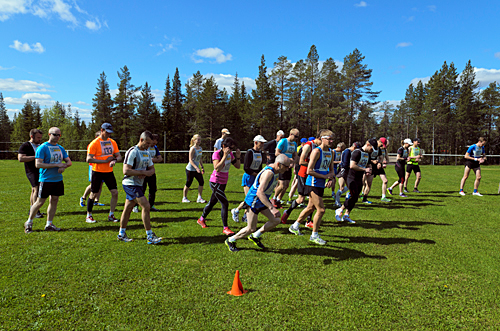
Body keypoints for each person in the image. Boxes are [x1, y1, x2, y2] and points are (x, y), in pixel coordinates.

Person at [225, 154, 291, 252]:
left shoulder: (275, 170)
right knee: (251, 228)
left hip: (262, 201)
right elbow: (259, 192)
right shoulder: (269, 173)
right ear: (278, 164)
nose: (287, 169)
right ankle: (230, 240)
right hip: (254, 201)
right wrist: (272, 208)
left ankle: (255, 236)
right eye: (286, 167)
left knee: (276, 220)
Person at [289, 130, 335, 245]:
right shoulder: (316, 151)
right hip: (313, 183)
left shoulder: (331, 152)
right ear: (322, 138)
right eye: (329, 138)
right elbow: (309, 171)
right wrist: (325, 176)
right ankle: (314, 235)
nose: (331, 141)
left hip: (320, 183)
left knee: (310, 208)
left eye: (332, 139)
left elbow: (331, 169)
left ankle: (295, 226)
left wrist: (331, 178)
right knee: (321, 209)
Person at [24, 127, 72, 233]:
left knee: (54, 200)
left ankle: (49, 224)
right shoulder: (43, 147)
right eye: (55, 134)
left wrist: (63, 167)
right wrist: (56, 165)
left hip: (58, 180)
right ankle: (29, 222)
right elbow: (38, 164)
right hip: (46, 179)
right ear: (49, 134)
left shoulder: (60, 148)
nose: (57, 137)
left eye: (59, 135)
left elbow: (69, 162)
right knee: (40, 202)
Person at [117, 131, 162, 244]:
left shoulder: (147, 152)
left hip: (138, 184)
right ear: (141, 140)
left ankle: (121, 233)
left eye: (151, 144)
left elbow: (152, 169)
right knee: (146, 206)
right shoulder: (132, 152)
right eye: (147, 143)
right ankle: (150, 235)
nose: (149, 146)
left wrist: (147, 172)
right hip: (130, 184)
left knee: (128, 208)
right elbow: (125, 170)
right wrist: (141, 172)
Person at [197, 137, 241, 235]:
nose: (231, 150)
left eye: (232, 149)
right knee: (225, 203)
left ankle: (201, 219)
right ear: (224, 146)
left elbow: (238, 166)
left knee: (212, 202)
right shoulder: (216, 154)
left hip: (223, 182)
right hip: (215, 182)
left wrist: (237, 156)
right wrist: (225, 156)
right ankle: (225, 228)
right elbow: (217, 168)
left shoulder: (231, 154)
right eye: (230, 148)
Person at [280, 134, 322, 226]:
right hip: (304, 174)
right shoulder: (308, 145)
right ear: (319, 138)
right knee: (301, 199)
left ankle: (308, 221)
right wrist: (314, 166)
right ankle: (287, 212)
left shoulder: (318, 147)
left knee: (313, 200)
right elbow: (301, 161)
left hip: (312, 175)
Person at [85, 123, 122, 223]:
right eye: (107, 132)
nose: (109, 134)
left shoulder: (112, 142)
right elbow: (88, 159)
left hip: (109, 172)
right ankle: (89, 215)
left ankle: (111, 214)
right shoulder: (94, 143)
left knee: (115, 192)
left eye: (110, 133)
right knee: (93, 194)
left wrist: (114, 160)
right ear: (102, 130)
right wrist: (105, 161)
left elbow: (119, 156)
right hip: (97, 171)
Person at [335, 138, 376, 224]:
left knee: (355, 198)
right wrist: (365, 169)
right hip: (351, 177)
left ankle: (346, 215)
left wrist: (369, 170)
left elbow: (368, 164)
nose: (372, 151)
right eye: (372, 148)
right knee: (353, 195)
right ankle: (340, 209)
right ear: (368, 144)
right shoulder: (357, 152)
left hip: (359, 178)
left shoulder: (367, 154)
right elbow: (352, 166)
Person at [231, 135, 266, 223]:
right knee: (249, 198)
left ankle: (245, 215)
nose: (262, 145)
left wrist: (260, 175)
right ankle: (236, 211)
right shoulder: (249, 152)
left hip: (256, 177)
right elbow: (246, 168)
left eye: (263, 143)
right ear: (255, 143)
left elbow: (260, 166)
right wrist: (255, 174)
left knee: (253, 198)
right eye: (261, 143)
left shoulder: (261, 153)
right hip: (248, 177)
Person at [133, 133, 163, 212]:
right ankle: (135, 206)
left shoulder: (155, 148)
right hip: (142, 171)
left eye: (155, 144)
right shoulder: (144, 147)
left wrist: (152, 160)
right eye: (152, 143)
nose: (153, 145)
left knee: (153, 188)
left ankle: (151, 205)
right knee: (141, 189)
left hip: (150, 170)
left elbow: (160, 158)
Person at [18, 128, 44, 219]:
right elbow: (21, 158)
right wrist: (36, 157)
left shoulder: (40, 145)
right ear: (32, 136)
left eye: (40, 137)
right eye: (38, 137)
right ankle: (35, 211)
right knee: (36, 189)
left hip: (40, 170)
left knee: (34, 190)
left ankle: (32, 209)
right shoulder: (25, 146)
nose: (39, 139)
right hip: (31, 170)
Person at [272, 128, 299, 206]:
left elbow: (295, 155)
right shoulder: (283, 141)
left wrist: (294, 162)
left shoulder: (294, 144)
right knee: (282, 184)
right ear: (290, 134)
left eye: (298, 137)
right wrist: (286, 158)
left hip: (289, 166)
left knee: (286, 185)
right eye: (295, 136)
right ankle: (274, 198)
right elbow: (277, 153)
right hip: (281, 165)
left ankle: (278, 200)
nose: (296, 139)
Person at [79, 131, 104, 208]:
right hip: (93, 167)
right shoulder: (92, 145)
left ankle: (96, 201)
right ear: (96, 137)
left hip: (102, 167)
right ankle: (83, 197)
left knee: (100, 184)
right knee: (93, 184)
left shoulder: (103, 145)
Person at [182, 134, 206, 203]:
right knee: (189, 183)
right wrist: (196, 168)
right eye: (198, 140)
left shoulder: (200, 148)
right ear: (194, 140)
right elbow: (190, 160)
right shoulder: (192, 149)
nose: (199, 141)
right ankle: (184, 198)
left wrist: (201, 167)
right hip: (190, 169)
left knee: (201, 182)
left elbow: (200, 158)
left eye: (200, 140)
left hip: (196, 169)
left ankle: (199, 198)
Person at [286, 138, 308, 204]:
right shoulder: (301, 148)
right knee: (297, 182)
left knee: (296, 181)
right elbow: (297, 158)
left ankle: (292, 197)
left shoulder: (302, 148)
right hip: (300, 166)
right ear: (303, 143)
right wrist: (295, 166)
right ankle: (291, 198)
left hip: (299, 166)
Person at [374, 137, 391, 202]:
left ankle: (383, 197)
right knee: (367, 183)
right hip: (373, 166)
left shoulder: (385, 150)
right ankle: (363, 194)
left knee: (385, 181)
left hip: (380, 167)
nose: (386, 146)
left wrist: (385, 162)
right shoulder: (376, 149)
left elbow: (388, 160)